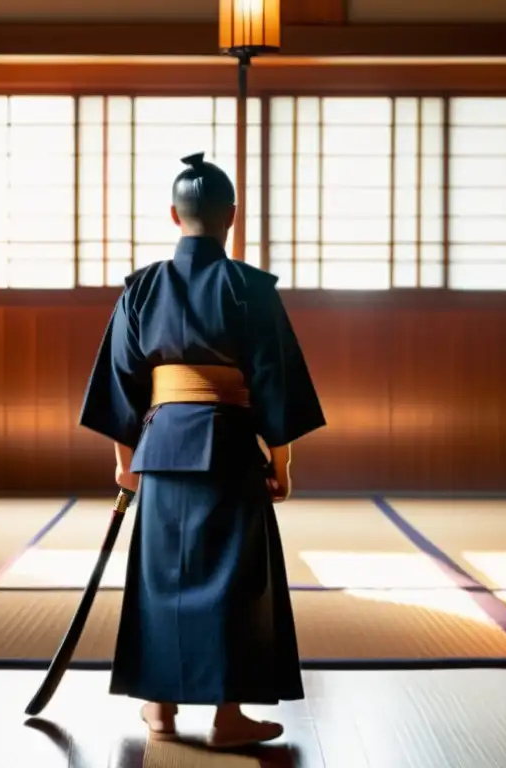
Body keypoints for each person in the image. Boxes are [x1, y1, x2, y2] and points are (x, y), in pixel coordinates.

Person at [79, 151, 326, 749]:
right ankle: (228, 716)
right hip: (232, 448)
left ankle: (158, 710)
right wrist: (282, 461)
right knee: (235, 581)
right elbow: (275, 379)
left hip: (160, 449)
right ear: (231, 218)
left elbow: (122, 381)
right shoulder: (251, 289)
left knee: (160, 575)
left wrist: (123, 461)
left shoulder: (141, 289)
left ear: (174, 215)